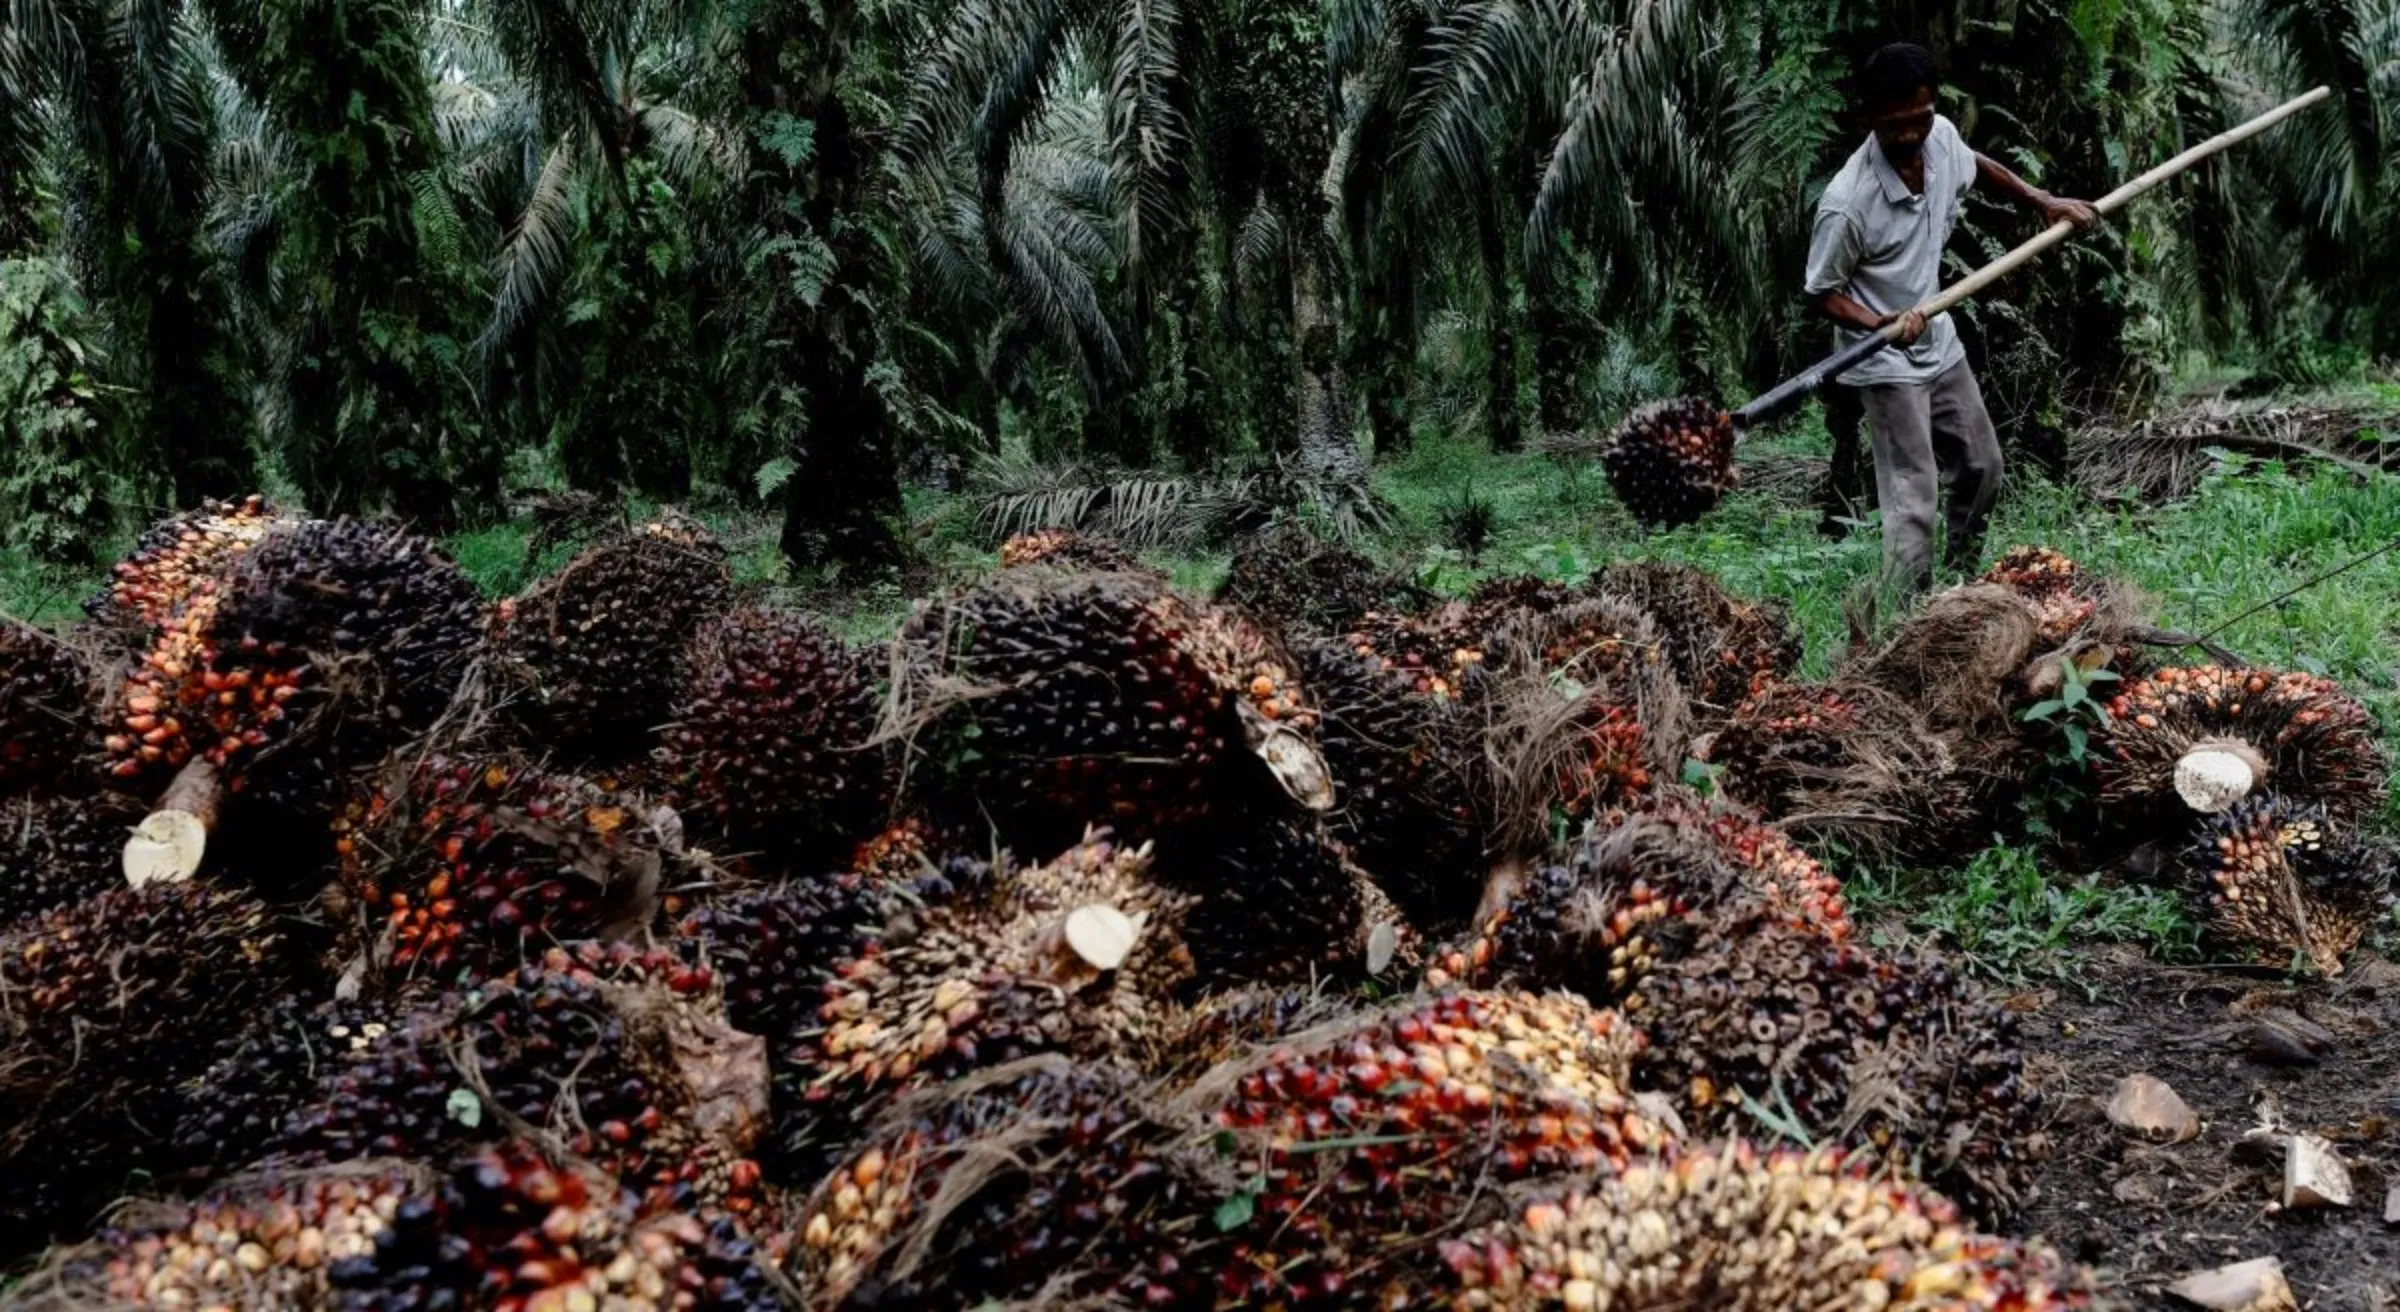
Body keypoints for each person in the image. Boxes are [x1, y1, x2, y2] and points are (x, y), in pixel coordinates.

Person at [1803, 41, 2099, 601]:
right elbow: (1820, 294)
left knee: (1983, 466)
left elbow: (1973, 165)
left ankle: (1961, 591)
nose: (1912, 135)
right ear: (1871, 118)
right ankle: (1911, 622)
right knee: (1915, 497)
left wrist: (2041, 200)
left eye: (1921, 118)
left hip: (1938, 343)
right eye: (1896, 126)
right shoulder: (1848, 202)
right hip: (1885, 357)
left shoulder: (1938, 136)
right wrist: (1878, 322)